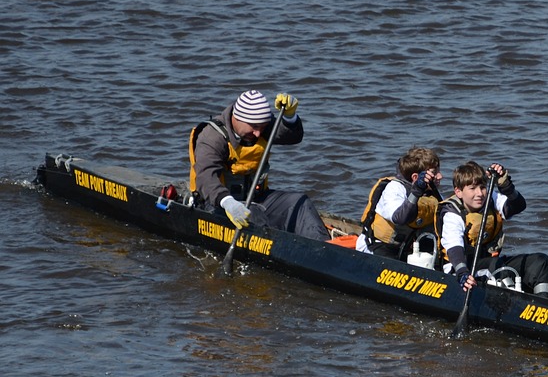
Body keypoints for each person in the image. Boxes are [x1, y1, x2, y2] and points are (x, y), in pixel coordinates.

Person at [187, 89, 329, 240]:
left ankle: (325, 248)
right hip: (218, 205)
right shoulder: (212, 137)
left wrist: (290, 117)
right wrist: (228, 203)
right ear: (237, 118)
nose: (258, 134)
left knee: (299, 202)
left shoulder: (260, 127)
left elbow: (292, 137)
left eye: (262, 127)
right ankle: (278, 249)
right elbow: (205, 177)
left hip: (256, 198)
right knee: (254, 214)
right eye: (254, 127)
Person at [435, 160, 548, 296]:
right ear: (459, 192)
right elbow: (454, 248)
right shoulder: (452, 213)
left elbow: (518, 206)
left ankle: (544, 303)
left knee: (540, 261)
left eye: (482, 187)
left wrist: (505, 185)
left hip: (490, 263)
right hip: (462, 269)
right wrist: (462, 273)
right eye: (472, 188)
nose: (480, 193)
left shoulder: (490, 197)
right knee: (500, 269)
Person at [355, 146, 443, 259]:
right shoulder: (394, 189)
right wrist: (416, 192)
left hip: (407, 250)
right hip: (377, 248)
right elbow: (400, 218)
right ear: (416, 177)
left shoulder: (433, 194)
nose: (440, 176)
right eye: (434, 173)